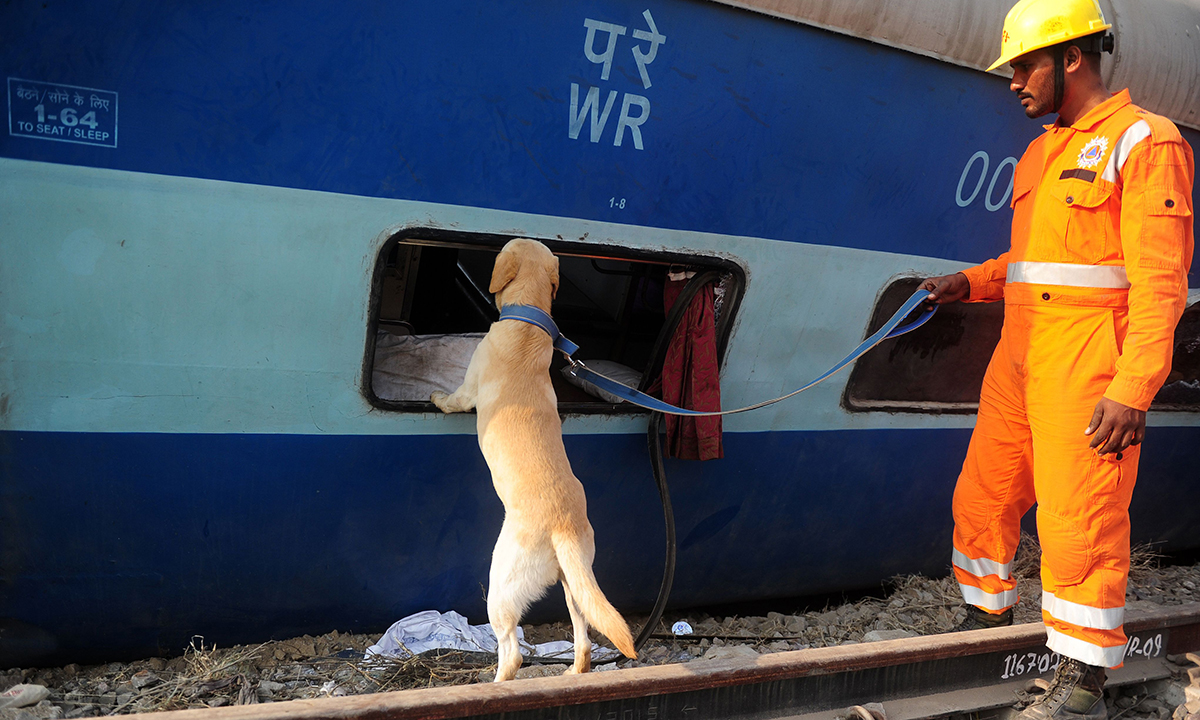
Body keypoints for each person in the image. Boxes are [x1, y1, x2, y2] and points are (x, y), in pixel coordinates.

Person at [920, 0, 1195, 717]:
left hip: (1086, 363)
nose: (1013, 81)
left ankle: (1082, 681)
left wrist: (1134, 387)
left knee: (1080, 522)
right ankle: (986, 620)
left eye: (1023, 64)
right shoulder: (1045, 152)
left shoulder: (1147, 141)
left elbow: (1162, 282)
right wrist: (971, 282)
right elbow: (1037, 258)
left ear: (1072, 57)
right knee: (984, 494)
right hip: (1020, 358)